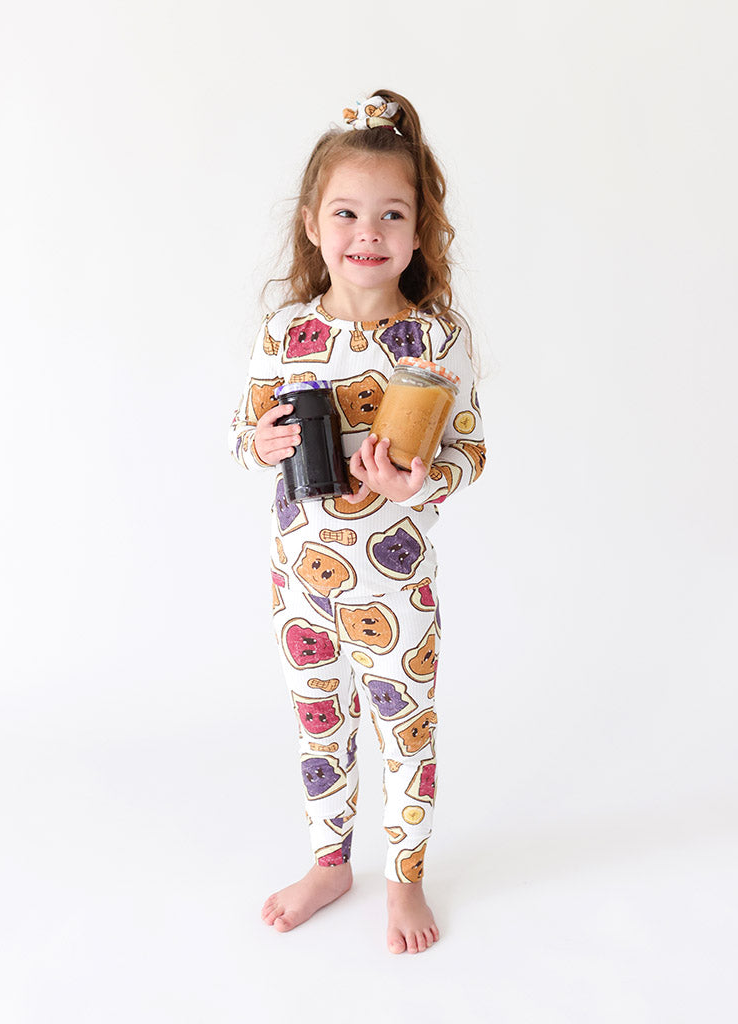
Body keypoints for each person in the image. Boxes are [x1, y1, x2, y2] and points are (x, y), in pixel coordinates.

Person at [228, 90, 486, 955]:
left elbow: (470, 450)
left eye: (391, 214)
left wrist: (416, 486)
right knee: (319, 724)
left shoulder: (437, 339)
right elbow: (242, 435)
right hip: (299, 583)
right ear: (312, 224)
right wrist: (261, 442)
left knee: (406, 734)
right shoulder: (285, 333)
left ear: (419, 232)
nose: (366, 232)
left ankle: (405, 877)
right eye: (345, 212)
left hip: (396, 587)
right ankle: (330, 862)